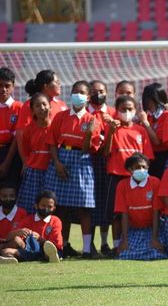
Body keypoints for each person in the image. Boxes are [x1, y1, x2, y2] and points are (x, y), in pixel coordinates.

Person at [44, 80, 100, 259]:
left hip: (82, 161)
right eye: (75, 91)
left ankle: (86, 249)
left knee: (84, 207)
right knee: (61, 208)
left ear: (88, 97)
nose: (78, 95)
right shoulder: (61, 116)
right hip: (61, 158)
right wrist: (57, 163)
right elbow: (52, 142)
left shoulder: (92, 120)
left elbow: (87, 148)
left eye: (82, 92)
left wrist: (90, 133)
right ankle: (63, 246)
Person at [102, 95, 156, 252]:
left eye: (130, 109)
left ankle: (136, 243)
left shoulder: (141, 131)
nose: (126, 112)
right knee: (116, 214)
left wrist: (140, 173)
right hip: (117, 176)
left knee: (138, 211)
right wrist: (111, 132)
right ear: (117, 110)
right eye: (123, 109)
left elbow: (147, 158)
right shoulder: (112, 129)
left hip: (138, 178)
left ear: (135, 110)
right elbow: (106, 152)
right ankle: (117, 246)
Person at [115, 153, 167, 260]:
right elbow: (124, 214)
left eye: (144, 167)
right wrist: (124, 240)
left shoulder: (155, 182)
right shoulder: (122, 185)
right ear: (130, 170)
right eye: (138, 167)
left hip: (152, 229)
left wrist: (155, 238)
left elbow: (156, 212)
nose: (141, 170)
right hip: (133, 229)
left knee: (157, 253)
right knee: (125, 255)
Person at [88, 80, 117, 257]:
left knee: (106, 203)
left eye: (101, 90)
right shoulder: (86, 114)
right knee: (91, 203)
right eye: (94, 91)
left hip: (109, 161)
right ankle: (89, 243)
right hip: (89, 160)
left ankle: (105, 243)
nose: (98, 94)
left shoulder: (113, 113)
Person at [0, 190, 62, 263]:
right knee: (7, 250)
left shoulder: (55, 221)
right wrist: (18, 232)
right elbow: (11, 237)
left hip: (47, 250)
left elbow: (56, 244)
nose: (46, 208)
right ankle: (9, 258)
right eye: (43, 205)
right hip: (30, 251)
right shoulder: (27, 219)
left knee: (50, 251)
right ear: (36, 205)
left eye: (49, 206)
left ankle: (51, 257)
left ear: (54, 208)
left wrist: (39, 238)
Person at [16, 94, 52, 215]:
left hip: (52, 172)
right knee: (30, 207)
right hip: (34, 172)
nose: (42, 108)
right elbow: (26, 150)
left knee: (50, 207)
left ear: (50, 106)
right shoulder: (29, 129)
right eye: (37, 105)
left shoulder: (55, 127)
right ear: (32, 110)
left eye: (44, 104)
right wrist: (26, 164)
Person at [141, 83, 168, 178]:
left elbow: (157, 141)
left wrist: (145, 123)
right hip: (148, 157)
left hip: (161, 157)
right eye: (147, 100)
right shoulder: (148, 115)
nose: (148, 103)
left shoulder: (166, 115)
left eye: (151, 100)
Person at [0, 67, 22, 187]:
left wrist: (7, 162)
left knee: (10, 192)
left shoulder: (19, 107)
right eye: (0, 85)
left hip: (11, 154)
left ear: (13, 87)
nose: (3, 89)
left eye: (7, 85)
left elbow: (16, 138)